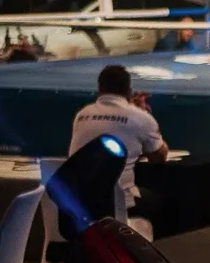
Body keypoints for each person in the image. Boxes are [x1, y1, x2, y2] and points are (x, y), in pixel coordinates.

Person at [68, 64, 169, 221]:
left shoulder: (82, 114)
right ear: (129, 91)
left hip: (77, 200)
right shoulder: (141, 118)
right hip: (118, 203)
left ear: (99, 89)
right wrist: (145, 116)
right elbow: (159, 157)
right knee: (155, 200)